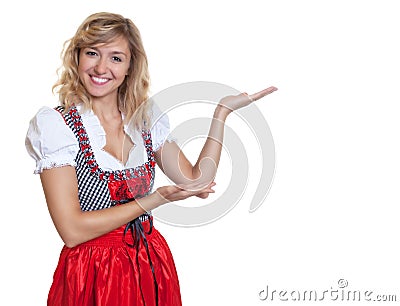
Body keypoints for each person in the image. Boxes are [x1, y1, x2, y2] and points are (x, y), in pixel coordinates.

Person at [25, 12, 277, 306]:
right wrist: (154, 200)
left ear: (131, 66)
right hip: (92, 271)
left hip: (149, 263)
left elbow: (197, 181)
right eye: (92, 53)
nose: (101, 67)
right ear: (77, 57)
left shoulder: (143, 121)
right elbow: (72, 230)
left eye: (116, 58)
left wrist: (221, 113)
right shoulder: (58, 127)